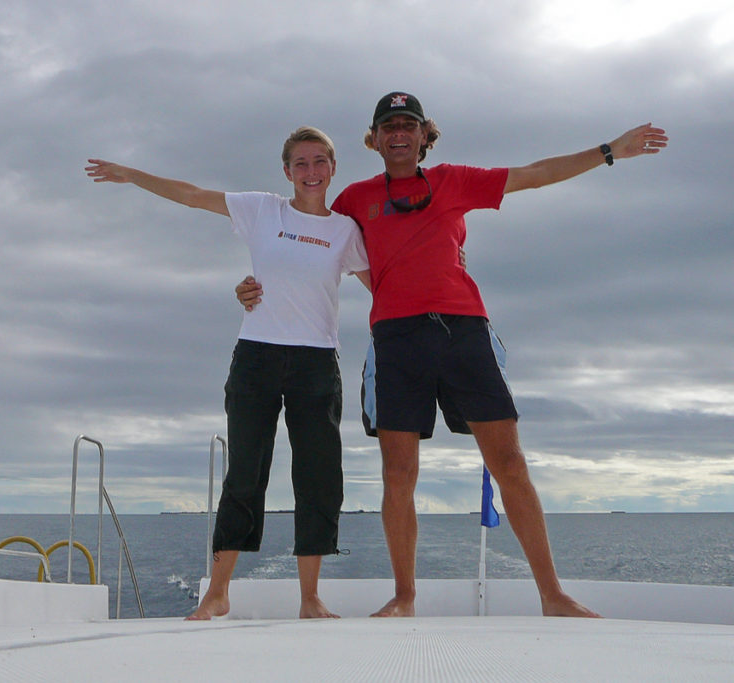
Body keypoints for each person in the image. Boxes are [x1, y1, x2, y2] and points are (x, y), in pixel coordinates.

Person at [238, 92, 668, 618]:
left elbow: (534, 173)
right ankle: (404, 596)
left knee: (509, 463)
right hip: (396, 340)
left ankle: (553, 596)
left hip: (463, 331)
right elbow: (305, 242)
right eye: (388, 126)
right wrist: (254, 288)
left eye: (408, 125)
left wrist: (608, 151)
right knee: (398, 474)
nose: (398, 133)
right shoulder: (353, 199)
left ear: (424, 136)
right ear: (374, 139)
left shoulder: (455, 181)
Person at [85, 126, 370, 620]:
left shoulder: (346, 231)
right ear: (286, 172)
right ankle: (217, 593)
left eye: (319, 161)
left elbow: (385, 283)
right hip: (257, 356)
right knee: (244, 474)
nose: (310, 171)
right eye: (299, 163)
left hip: (316, 362)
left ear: (333, 168)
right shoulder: (262, 210)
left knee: (318, 477)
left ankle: (309, 598)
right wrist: (132, 175)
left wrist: (449, 264)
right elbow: (194, 196)